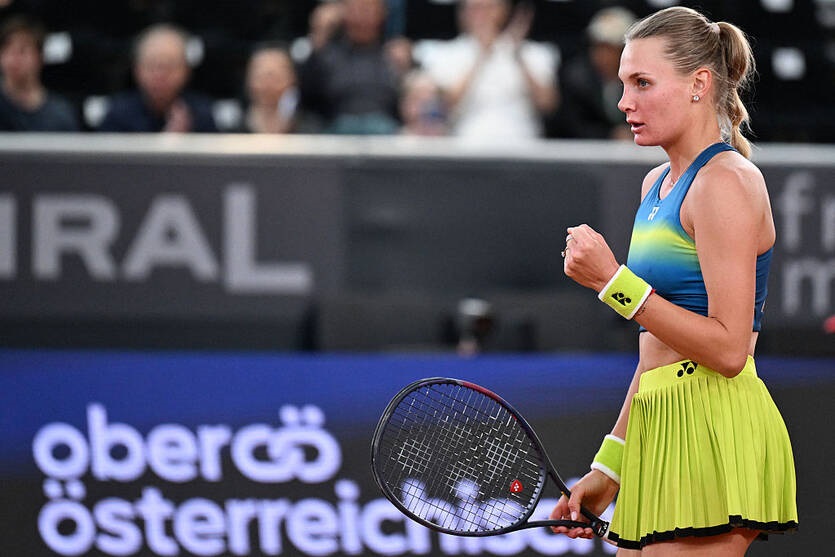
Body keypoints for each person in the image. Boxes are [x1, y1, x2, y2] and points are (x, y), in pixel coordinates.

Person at [549, 7, 798, 555]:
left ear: (698, 84)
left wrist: (613, 283)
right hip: (658, 431)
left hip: (713, 429)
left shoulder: (726, 182)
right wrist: (609, 468)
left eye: (642, 83)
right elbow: (656, 354)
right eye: (623, 84)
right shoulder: (655, 184)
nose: (624, 102)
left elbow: (729, 350)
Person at [421, 0, 558, 141]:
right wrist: (481, 56)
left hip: (523, 143)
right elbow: (444, 106)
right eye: (474, 8)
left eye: (488, 8)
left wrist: (518, 55)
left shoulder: (534, 52)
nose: (481, 15)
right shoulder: (446, 53)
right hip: (467, 144)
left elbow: (547, 105)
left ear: (504, 11)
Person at [297, 0, 405, 135]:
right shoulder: (325, 55)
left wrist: (405, 69)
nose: (361, 16)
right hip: (334, 133)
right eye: (355, 9)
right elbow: (305, 100)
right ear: (343, 13)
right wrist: (321, 35)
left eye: (367, 9)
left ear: (383, 13)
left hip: (388, 135)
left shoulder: (394, 56)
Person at [97, 23, 217, 133]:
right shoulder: (118, 113)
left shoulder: (202, 113)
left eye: (169, 66)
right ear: (137, 70)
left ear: (186, 71)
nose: (160, 75)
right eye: (152, 65)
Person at [548, 6, 635, 140]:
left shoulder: (641, 80)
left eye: (609, 48)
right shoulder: (576, 79)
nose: (602, 56)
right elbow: (572, 126)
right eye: (597, 47)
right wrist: (610, 135)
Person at [0, 14, 79, 131]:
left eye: (22, 51)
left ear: (39, 56)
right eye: (7, 50)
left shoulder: (59, 115)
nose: (13, 58)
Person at [238, 43, 319, 134]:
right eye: (261, 76)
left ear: (292, 79)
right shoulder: (233, 128)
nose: (268, 84)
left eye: (276, 77)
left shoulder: (310, 129)